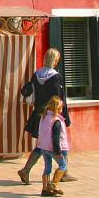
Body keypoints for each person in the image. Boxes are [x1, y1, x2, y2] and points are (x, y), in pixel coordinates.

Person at [17, 48, 75, 185]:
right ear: (54, 60)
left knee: (42, 144)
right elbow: (58, 98)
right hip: (53, 114)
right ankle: (63, 172)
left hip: (39, 113)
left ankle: (26, 170)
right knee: (61, 142)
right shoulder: (55, 77)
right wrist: (64, 116)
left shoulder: (36, 74)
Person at [35, 96, 69, 197]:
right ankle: (53, 184)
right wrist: (58, 152)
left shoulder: (44, 117)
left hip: (43, 146)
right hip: (52, 148)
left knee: (47, 167)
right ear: (56, 108)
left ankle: (45, 189)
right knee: (63, 165)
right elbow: (55, 137)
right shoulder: (56, 121)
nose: (62, 110)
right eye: (60, 108)